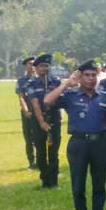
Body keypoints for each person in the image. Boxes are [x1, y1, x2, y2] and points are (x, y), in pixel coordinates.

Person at [44, 61, 106, 210]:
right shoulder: (71, 95)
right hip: (78, 145)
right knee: (78, 185)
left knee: (99, 184)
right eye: (87, 75)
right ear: (80, 76)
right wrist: (66, 84)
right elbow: (47, 100)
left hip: (99, 143)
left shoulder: (105, 96)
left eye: (93, 75)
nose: (91, 79)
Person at [27, 54, 63, 188]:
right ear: (35, 68)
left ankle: (54, 181)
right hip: (38, 122)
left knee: (53, 151)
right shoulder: (31, 83)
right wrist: (42, 122)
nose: (44, 68)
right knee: (41, 152)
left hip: (54, 119)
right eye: (41, 66)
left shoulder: (56, 82)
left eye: (47, 66)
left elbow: (61, 98)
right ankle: (45, 180)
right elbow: (35, 104)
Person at [16, 57, 36, 169]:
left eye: (34, 64)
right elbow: (21, 97)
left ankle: (41, 161)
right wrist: (26, 111)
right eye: (30, 64)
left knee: (41, 138)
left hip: (41, 113)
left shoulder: (41, 79)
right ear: (25, 66)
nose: (32, 66)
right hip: (28, 113)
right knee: (29, 138)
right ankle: (31, 162)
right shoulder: (21, 81)